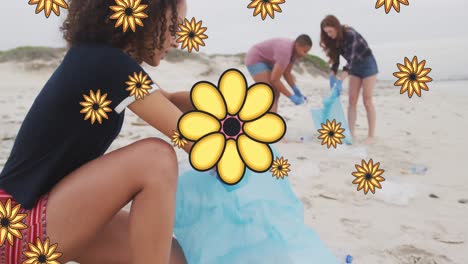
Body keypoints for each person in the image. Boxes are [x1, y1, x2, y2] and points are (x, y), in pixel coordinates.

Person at [0, 0, 191, 263]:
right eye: (174, 25)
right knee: (156, 159)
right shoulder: (109, 65)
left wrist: (229, 105)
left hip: (39, 212)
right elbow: (193, 138)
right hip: (17, 224)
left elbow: (168, 100)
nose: (178, 39)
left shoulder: (99, 59)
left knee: (176, 257)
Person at [320, 15, 378, 144]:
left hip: (368, 64)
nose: (329, 35)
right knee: (352, 100)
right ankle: (351, 133)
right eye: (326, 33)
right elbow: (336, 61)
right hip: (355, 67)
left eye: (330, 31)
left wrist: (340, 81)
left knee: (367, 100)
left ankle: (371, 136)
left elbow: (350, 61)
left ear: (336, 27)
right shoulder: (334, 41)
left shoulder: (350, 35)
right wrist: (332, 75)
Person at [245, 35, 313, 113]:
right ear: (297, 45)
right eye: (304, 51)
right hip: (256, 58)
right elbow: (274, 80)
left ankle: (272, 118)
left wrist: (296, 90)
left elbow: (287, 73)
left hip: (268, 61)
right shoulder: (285, 51)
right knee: (270, 91)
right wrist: (292, 97)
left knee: (276, 93)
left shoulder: (294, 53)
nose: (305, 54)